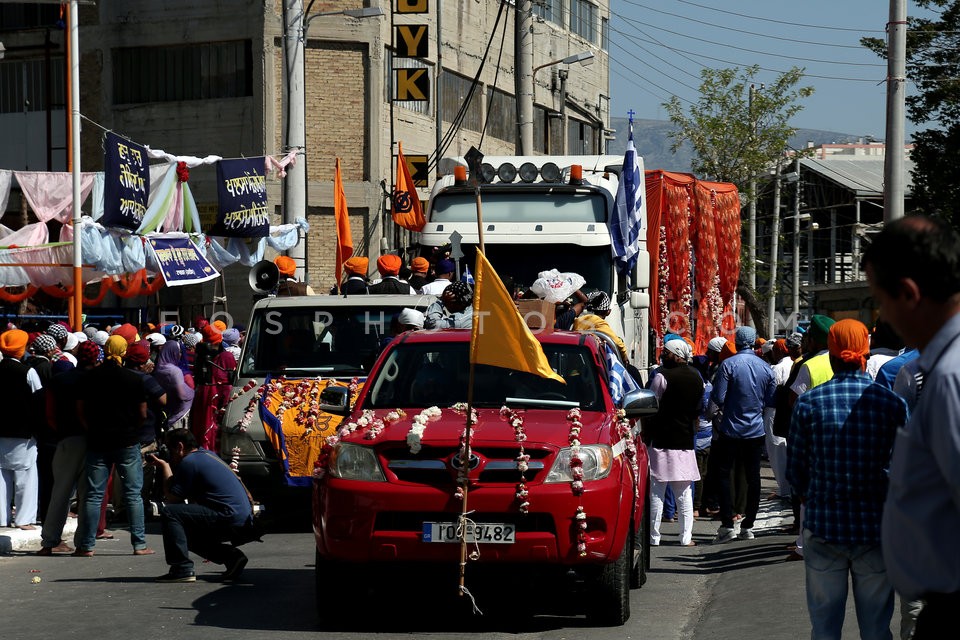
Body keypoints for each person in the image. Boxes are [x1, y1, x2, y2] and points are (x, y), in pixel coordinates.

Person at [862, 215, 960, 639]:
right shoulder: (940, 369)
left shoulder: (951, 376)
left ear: (909, 293)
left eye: (881, 301)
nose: (883, 316)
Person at [786, 319, 906, 639]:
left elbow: (795, 471)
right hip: (875, 529)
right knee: (877, 628)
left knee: (825, 628)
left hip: (825, 525)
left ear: (832, 354)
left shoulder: (809, 404)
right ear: (865, 352)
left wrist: (809, 495)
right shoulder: (891, 403)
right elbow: (906, 468)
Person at [73, 335, 155, 557]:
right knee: (133, 494)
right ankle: (139, 544)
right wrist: (132, 430)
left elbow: (80, 411)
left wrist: (91, 429)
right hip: (127, 441)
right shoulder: (133, 379)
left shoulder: (90, 378)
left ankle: (86, 546)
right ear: (125, 352)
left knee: (93, 494)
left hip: (98, 441)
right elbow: (142, 413)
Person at [148, 428, 254, 583]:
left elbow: (172, 499)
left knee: (169, 512)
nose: (170, 456)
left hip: (228, 517)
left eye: (170, 450)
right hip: (242, 517)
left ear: (180, 447)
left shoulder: (189, 462)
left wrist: (165, 467)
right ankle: (232, 557)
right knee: (182, 530)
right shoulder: (208, 455)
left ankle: (181, 568)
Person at [708, 325, 777, 544]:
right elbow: (771, 400)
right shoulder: (766, 368)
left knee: (724, 474)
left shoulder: (728, 365)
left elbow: (718, 397)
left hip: (730, 429)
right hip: (755, 429)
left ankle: (727, 524)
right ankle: (748, 524)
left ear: (737, 343)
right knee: (753, 476)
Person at [38, 341, 103, 555]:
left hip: (66, 440)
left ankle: (49, 542)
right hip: (94, 441)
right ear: (95, 358)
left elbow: (49, 414)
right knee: (89, 494)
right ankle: (84, 545)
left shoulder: (59, 381)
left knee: (60, 492)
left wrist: (61, 432)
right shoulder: (99, 381)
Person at [645, 338, 704, 547]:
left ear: (675, 354)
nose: (663, 355)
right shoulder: (697, 377)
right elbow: (699, 408)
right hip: (685, 440)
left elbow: (651, 404)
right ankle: (685, 537)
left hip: (661, 440)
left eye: (666, 352)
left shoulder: (662, 376)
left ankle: (653, 537)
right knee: (684, 493)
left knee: (657, 491)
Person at [0, 329, 43, 530]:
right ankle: (24, 519)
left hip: (1, 432)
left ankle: (1, 518)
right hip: (24, 433)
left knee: (1, 478)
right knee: (25, 477)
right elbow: (39, 401)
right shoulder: (28, 372)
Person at [191, 324, 237, 451]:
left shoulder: (226, 357)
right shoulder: (203, 358)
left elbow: (230, 383)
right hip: (206, 402)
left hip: (220, 405)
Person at [573, 291, 629, 362]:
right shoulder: (598, 322)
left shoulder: (578, 320)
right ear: (607, 312)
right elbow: (617, 343)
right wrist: (624, 357)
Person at [154, 341, 195, 432]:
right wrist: (193, 392)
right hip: (179, 412)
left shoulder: (158, 368)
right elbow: (182, 394)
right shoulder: (175, 371)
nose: (180, 354)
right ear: (173, 352)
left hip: (168, 408)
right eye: (178, 351)